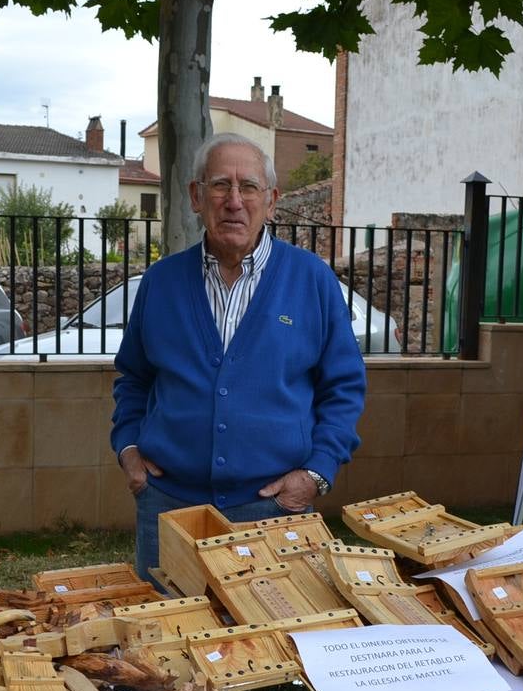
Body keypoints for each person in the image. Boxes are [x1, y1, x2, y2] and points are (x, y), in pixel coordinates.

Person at [112, 132, 367, 584]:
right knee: (163, 636)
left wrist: (317, 474)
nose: (234, 201)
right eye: (219, 185)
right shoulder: (161, 282)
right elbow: (133, 377)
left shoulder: (312, 281)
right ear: (196, 196)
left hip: (274, 508)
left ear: (270, 201)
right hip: (171, 506)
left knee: (276, 638)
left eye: (248, 187)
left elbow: (343, 388)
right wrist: (129, 449)